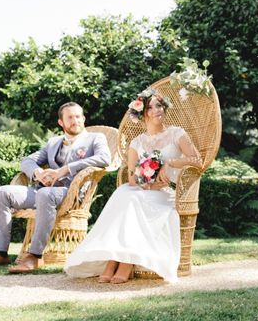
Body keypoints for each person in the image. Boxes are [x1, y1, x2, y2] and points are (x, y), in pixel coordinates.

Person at [64, 89, 201, 283]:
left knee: (131, 198)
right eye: (150, 107)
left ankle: (124, 262)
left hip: (167, 192)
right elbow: (132, 178)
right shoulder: (137, 143)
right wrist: (146, 181)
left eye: (159, 105)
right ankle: (113, 259)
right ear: (142, 114)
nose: (156, 110)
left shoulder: (176, 133)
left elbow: (198, 160)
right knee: (124, 192)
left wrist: (171, 164)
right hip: (144, 190)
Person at [0, 102, 110, 273]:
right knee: (2, 193)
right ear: (61, 122)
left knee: (45, 195)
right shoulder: (53, 142)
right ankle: (1, 252)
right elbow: (27, 161)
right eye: (69, 117)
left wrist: (66, 169)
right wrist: (38, 173)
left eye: (78, 116)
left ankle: (35, 256)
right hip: (44, 190)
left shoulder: (95, 138)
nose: (75, 120)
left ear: (83, 118)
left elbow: (104, 158)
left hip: (71, 193)